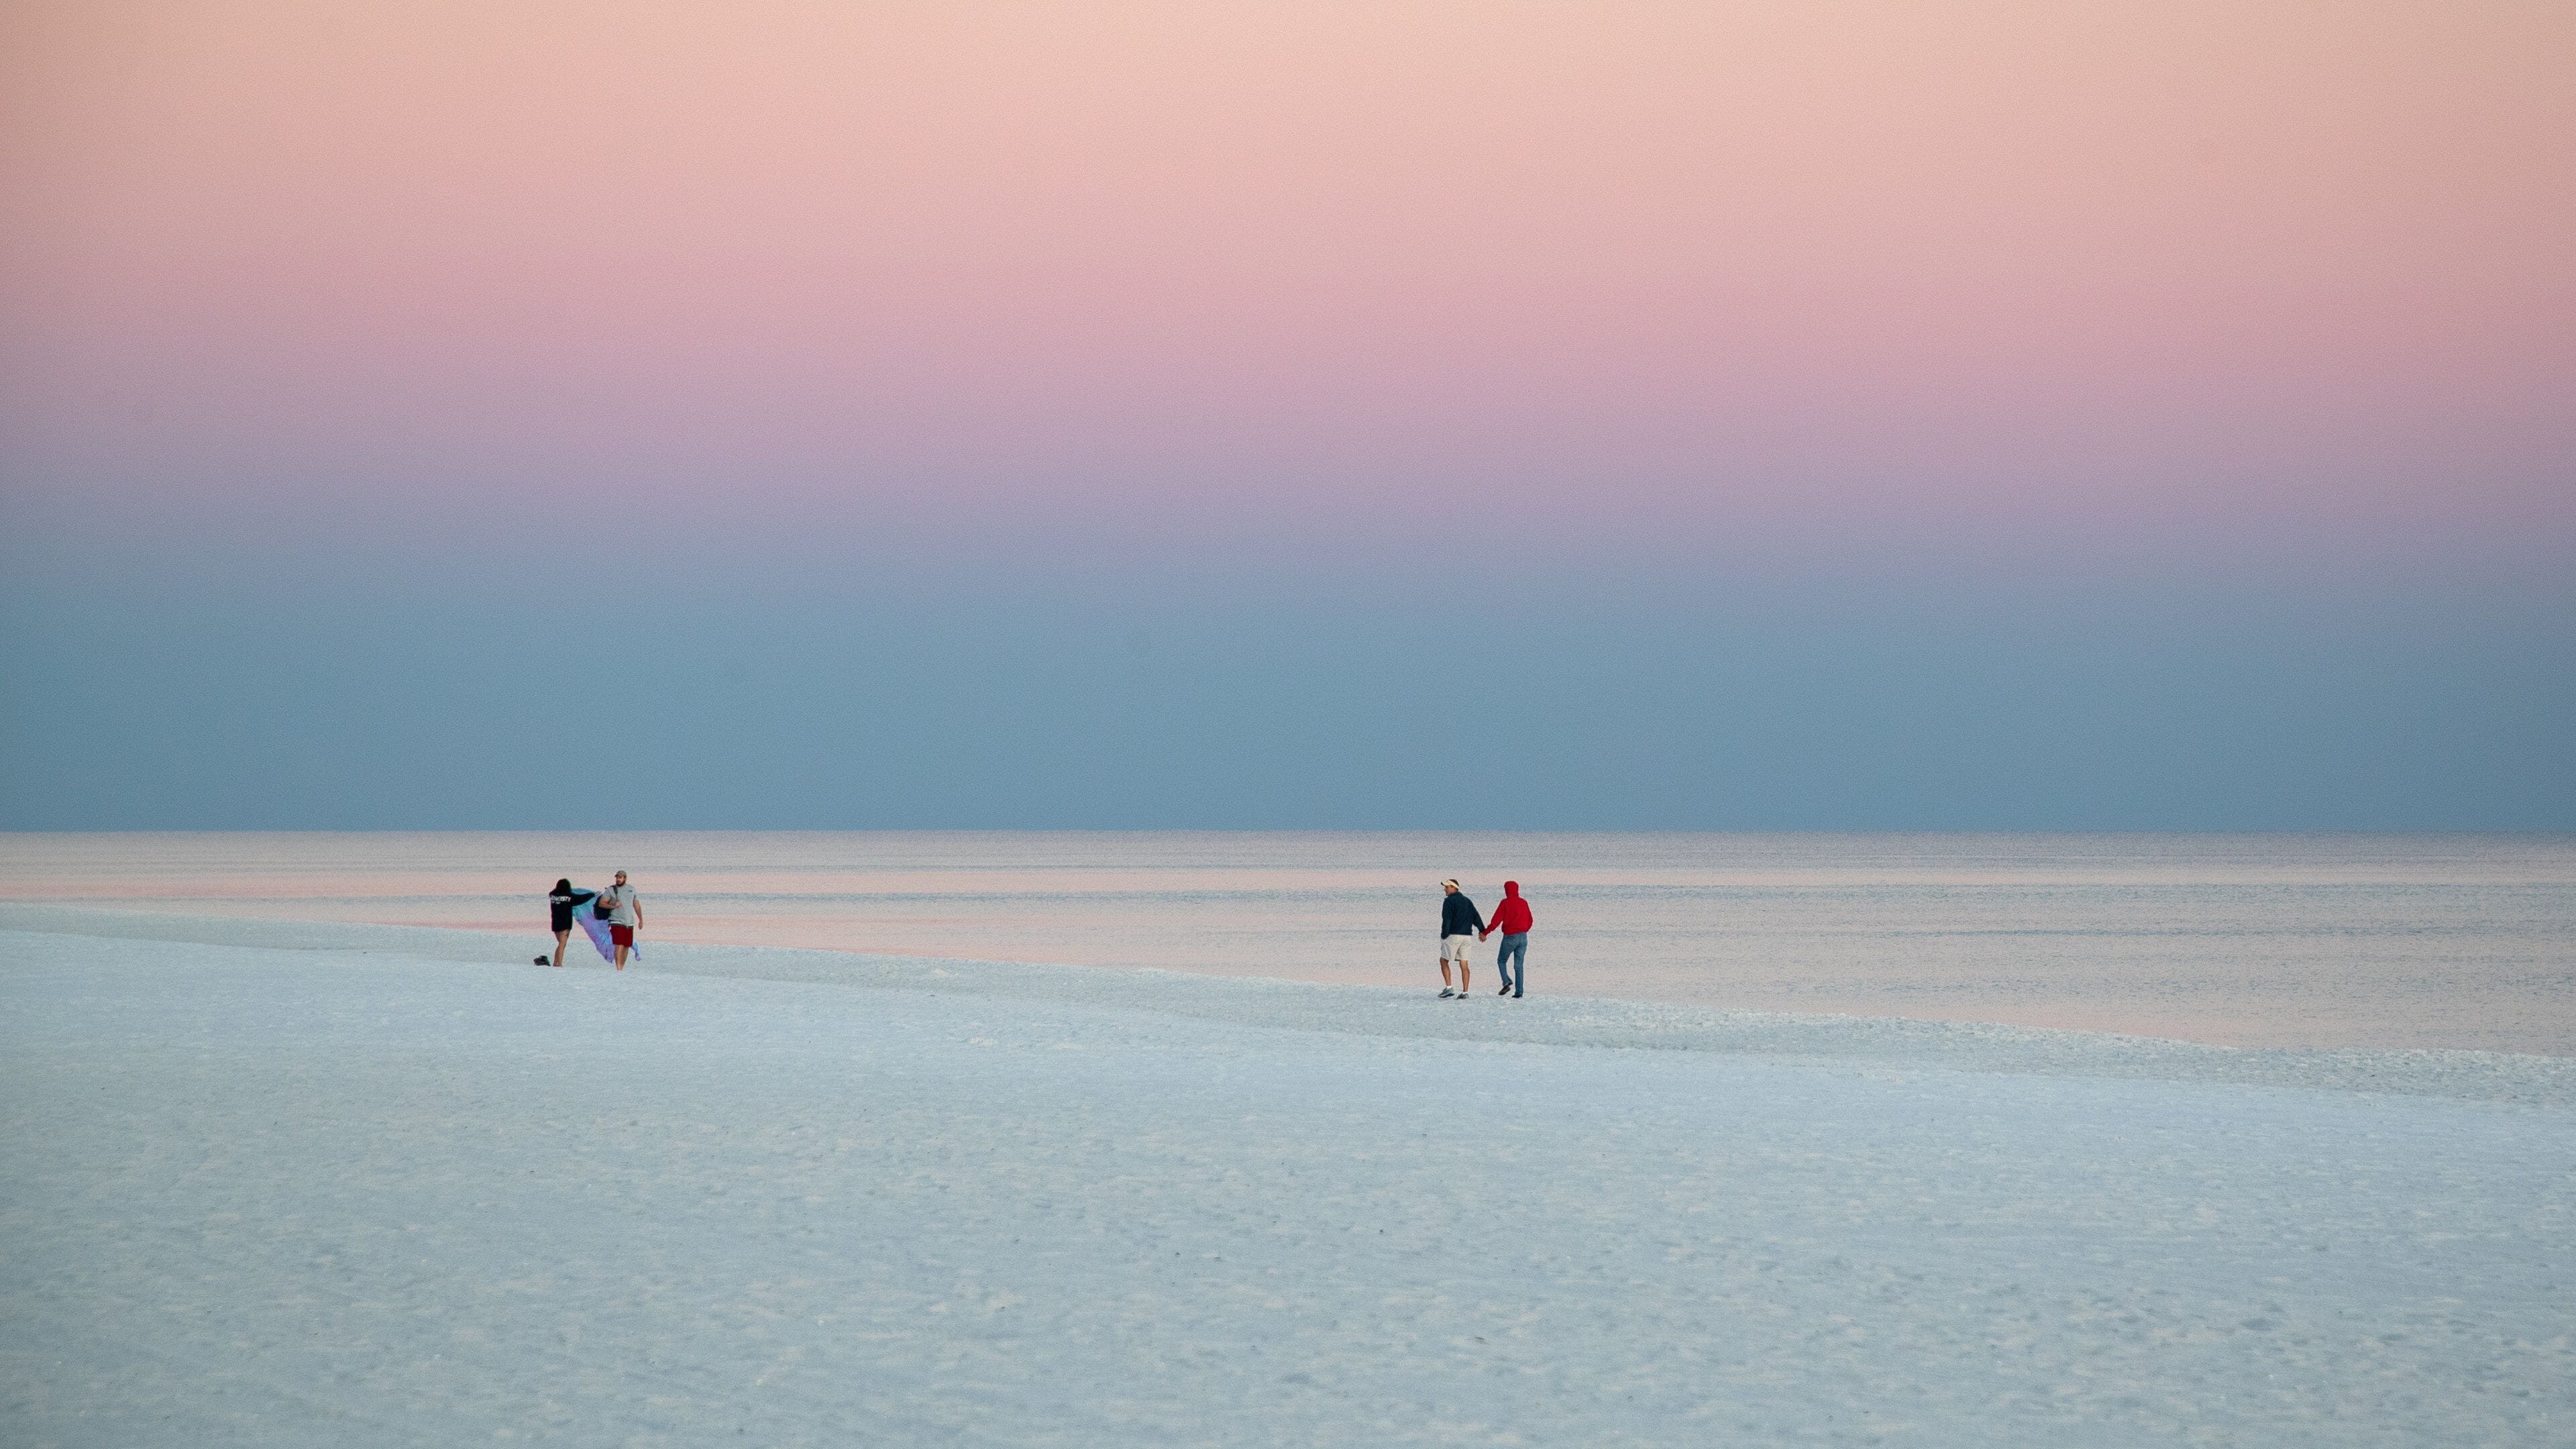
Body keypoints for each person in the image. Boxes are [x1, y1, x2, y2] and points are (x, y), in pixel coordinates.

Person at [1480, 879, 1534, 998]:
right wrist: (1524, 929)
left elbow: (1496, 921)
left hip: (1510, 936)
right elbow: (1530, 920)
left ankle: (1506, 981)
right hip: (1523, 937)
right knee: (1519, 966)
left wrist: (1485, 933)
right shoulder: (1524, 903)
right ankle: (1519, 992)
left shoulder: (1505, 903)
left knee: (1501, 960)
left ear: (1506, 890)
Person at [1437, 879, 1484, 999]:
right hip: (1467, 937)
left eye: (1447, 887)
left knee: (1444, 961)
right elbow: (1476, 917)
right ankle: (1465, 992)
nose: (1445, 890)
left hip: (1453, 935)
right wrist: (1482, 930)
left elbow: (1447, 919)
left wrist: (1444, 935)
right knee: (1464, 964)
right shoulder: (1467, 901)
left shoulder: (1449, 902)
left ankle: (1449, 988)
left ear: (1454, 888)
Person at [544, 877, 596, 967]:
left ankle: (556, 963)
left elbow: (552, 892)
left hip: (555, 924)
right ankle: (559, 964)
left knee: (560, 944)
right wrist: (593, 894)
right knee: (562, 944)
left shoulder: (553, 895)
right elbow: (581, 899)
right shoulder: (569, 897)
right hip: (565, 923)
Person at [598, 870, 643, 970]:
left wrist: (641, 919)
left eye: (620, 878)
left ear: (625, 878)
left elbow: (636, 905)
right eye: (617, 877)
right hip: (616, 921)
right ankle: (618, 968)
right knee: (619, 945)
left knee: (627, 945)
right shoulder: (611, 890)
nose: (618, 879)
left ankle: (621, 967)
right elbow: (602, 903)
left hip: (629, 922)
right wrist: (614, 905)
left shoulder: (632, 889)